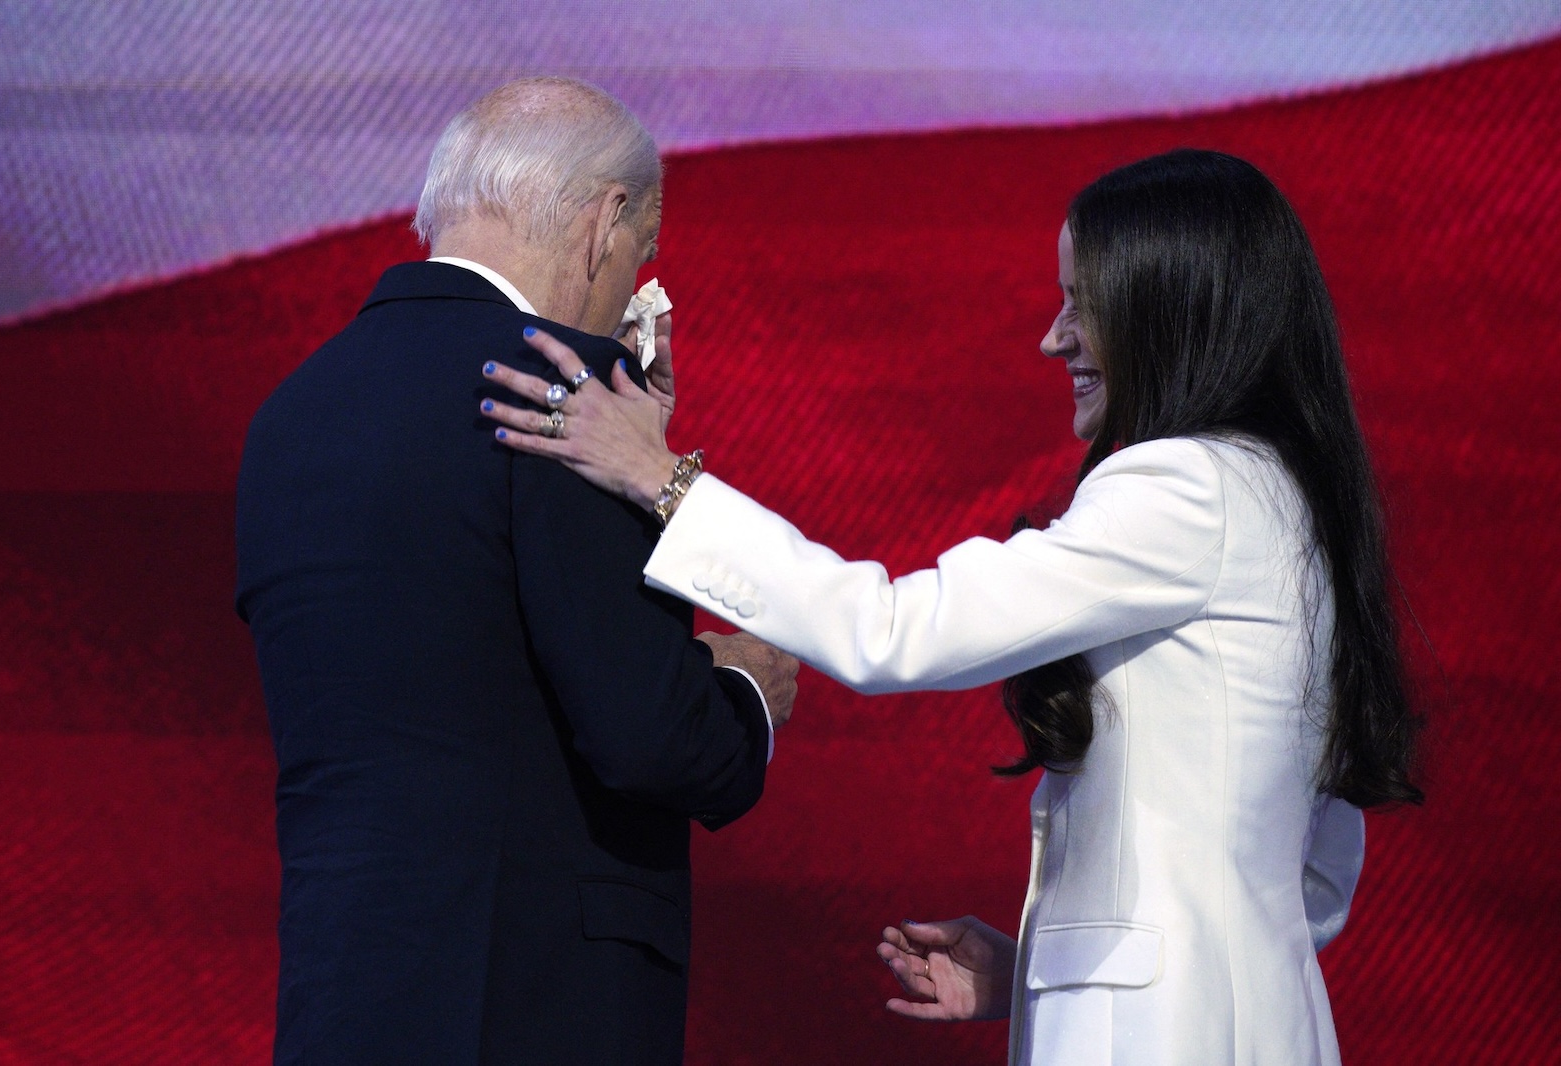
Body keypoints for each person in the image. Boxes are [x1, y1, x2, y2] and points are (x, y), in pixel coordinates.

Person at [475, 149, 1423, 1065]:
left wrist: (664, 480)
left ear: (1169, 312)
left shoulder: (1190, 489)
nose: (1055, 338)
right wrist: (1054, 972)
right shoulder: (1286, 501)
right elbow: (1314, 874)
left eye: (1083, 308)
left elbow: (894, 632)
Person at [235, 77, 798, 1066]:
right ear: (606, 222)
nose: (635, 286)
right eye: (642, 252)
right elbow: (654, 737)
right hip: (532, 1003)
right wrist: (745, 687)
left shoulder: (293, 411)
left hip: (344, 996)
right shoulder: (553, 394)